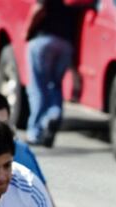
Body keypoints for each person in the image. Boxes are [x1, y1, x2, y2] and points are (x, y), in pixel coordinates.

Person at [24, 0, 81, 147]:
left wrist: (28, 31)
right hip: (66, 43)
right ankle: (53, 115)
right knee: (55, 85)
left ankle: (34, 132)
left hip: (43, 38)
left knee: (38, 87)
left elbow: (39, 8)